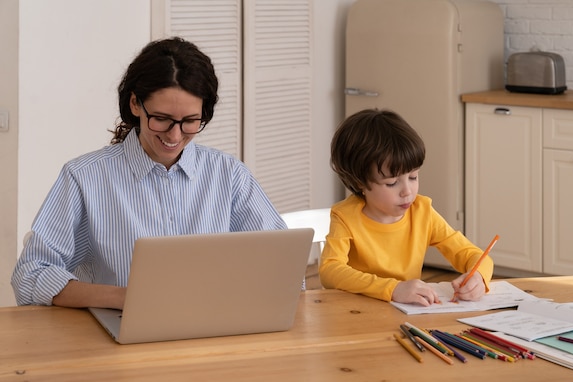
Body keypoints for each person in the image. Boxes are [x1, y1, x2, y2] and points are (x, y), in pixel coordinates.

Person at [12, 37, 286, 309]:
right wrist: (122, 298)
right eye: (162, 119)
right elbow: (30, 275)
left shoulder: (229, 175)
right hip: (119, 334)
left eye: (190, 121)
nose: (175, 135)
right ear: (135, 104)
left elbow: (282, 264)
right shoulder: (84, 177)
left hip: (213, 330)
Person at [319, 109, 493, 306]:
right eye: (392, 183)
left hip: (406, 315)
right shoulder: (345, 217)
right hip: (356, 313)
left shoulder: (422, 211)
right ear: (359, 182)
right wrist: (392, 289)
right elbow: (329, 270)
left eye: (413, 177)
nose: (407, 191)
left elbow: (474, 254)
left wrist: (478, 276)